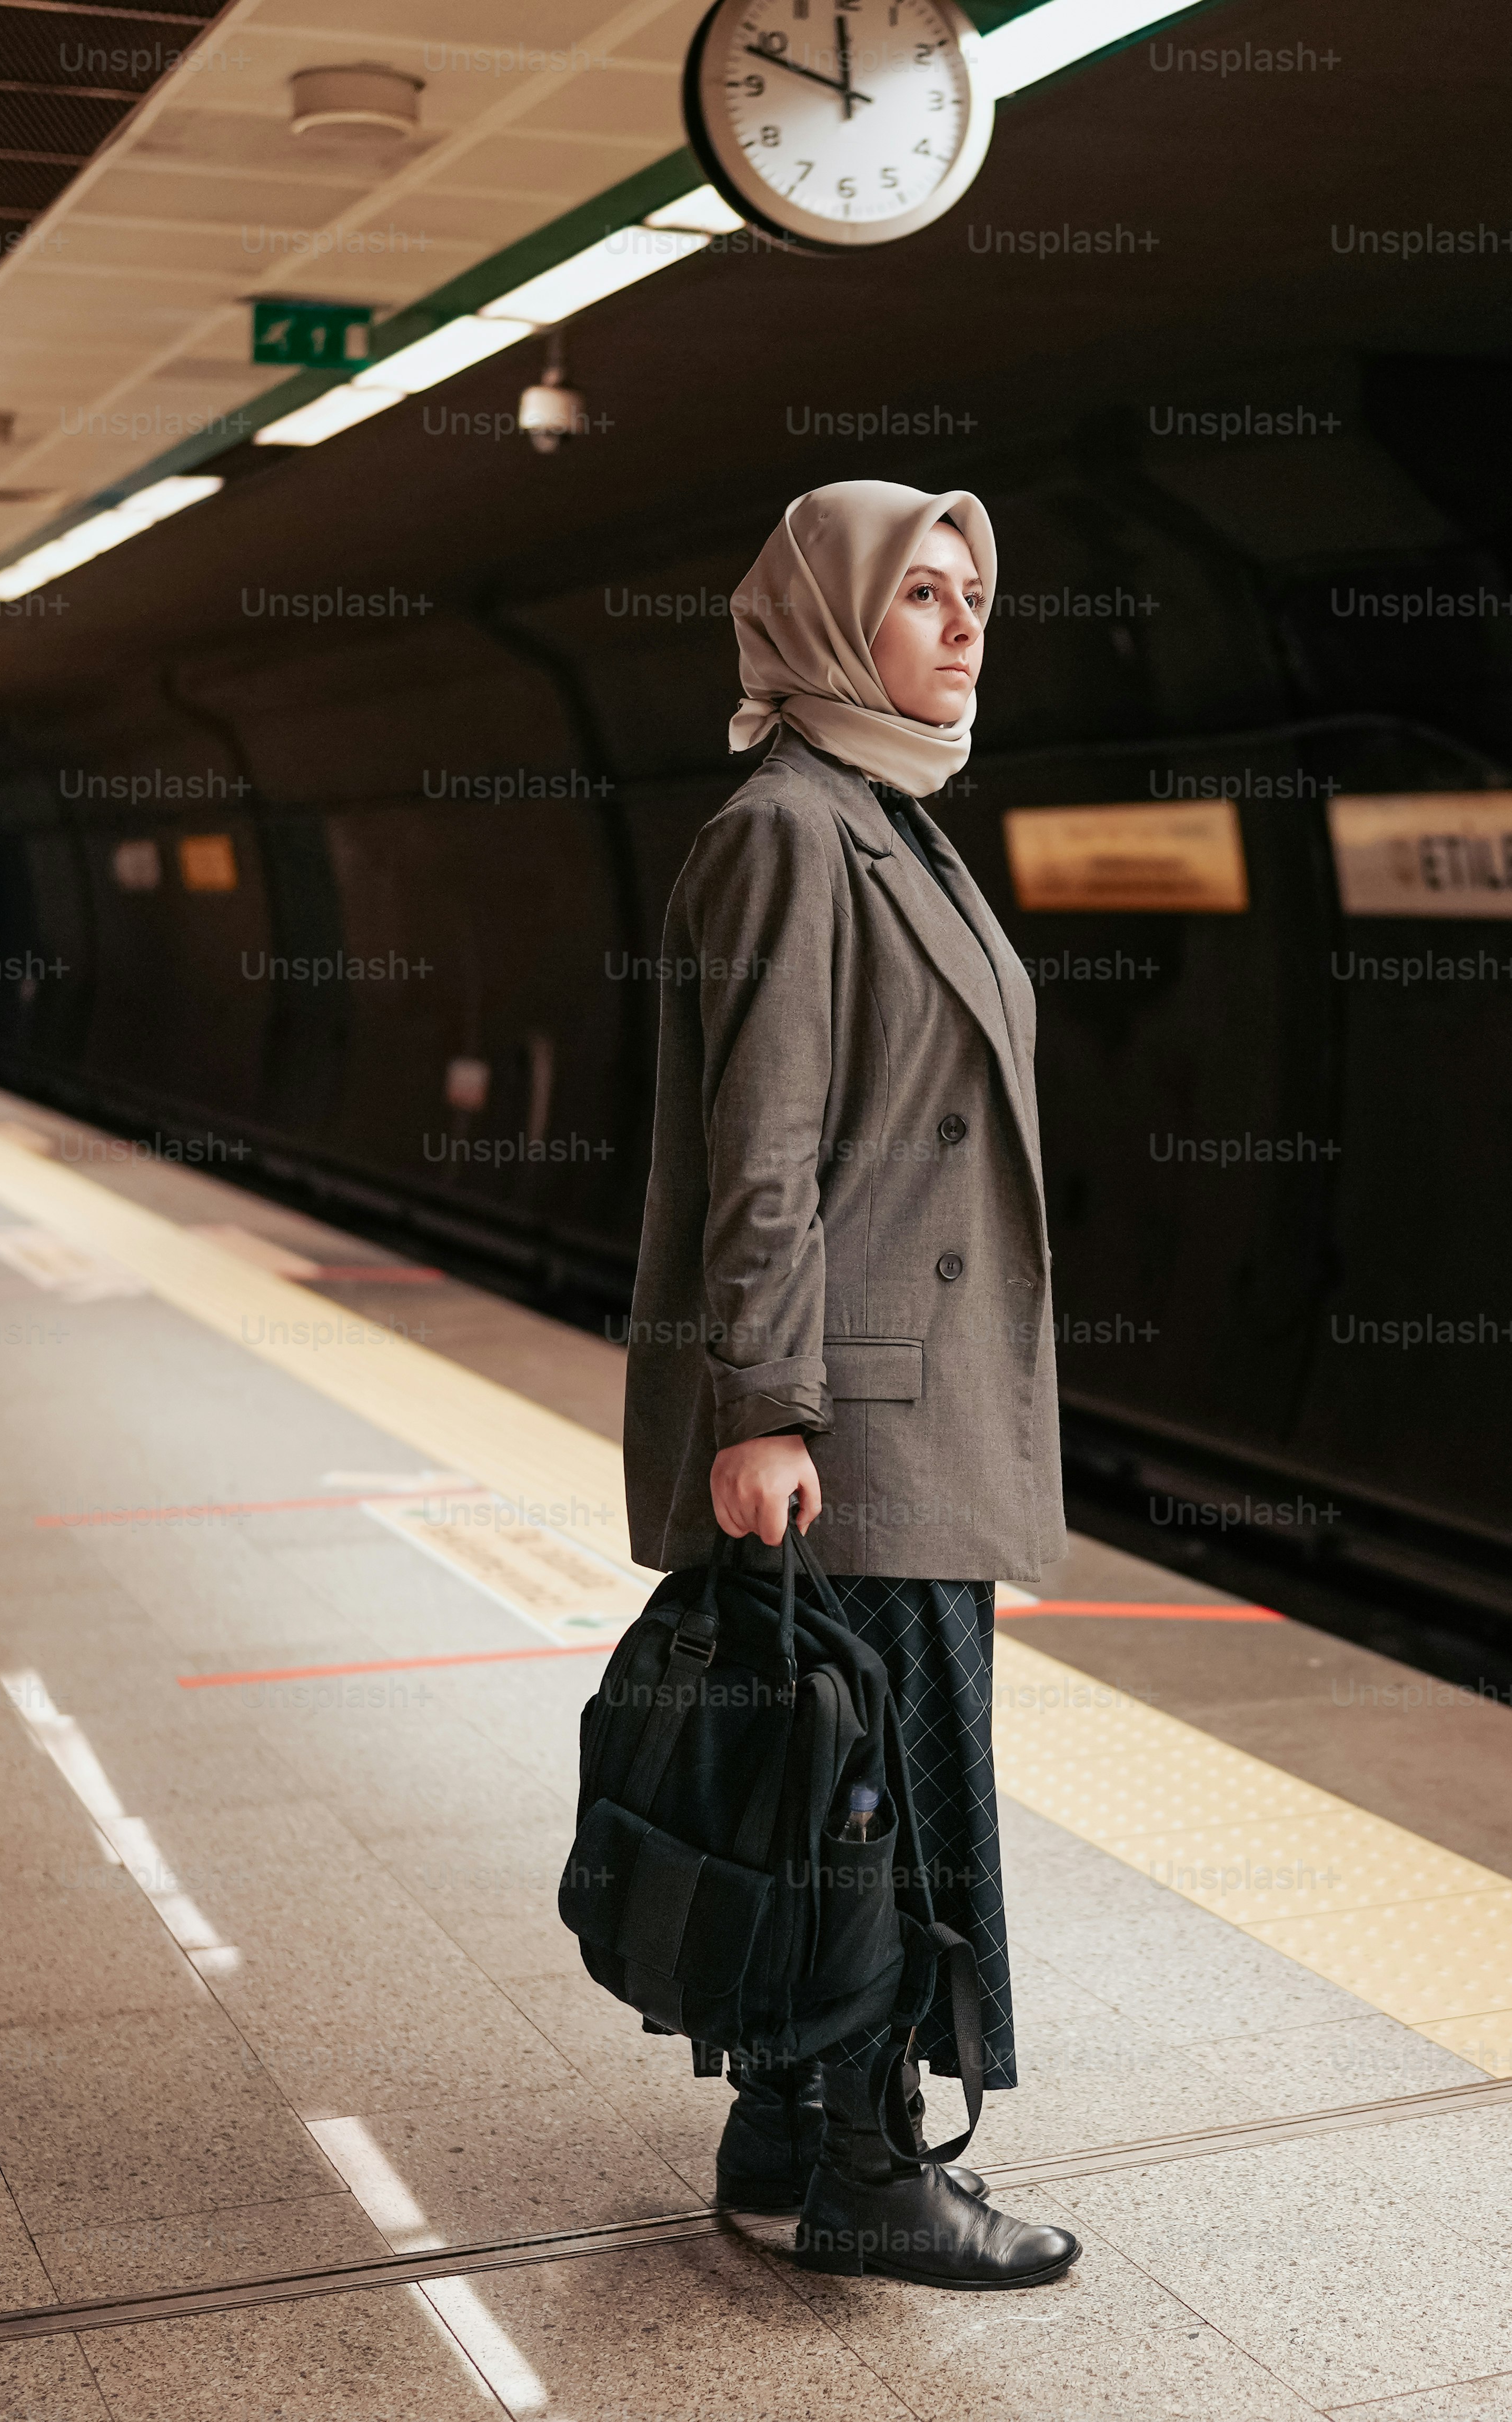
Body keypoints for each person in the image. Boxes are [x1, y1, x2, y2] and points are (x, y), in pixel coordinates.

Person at [621, 480, 1077, 2290]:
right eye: (922, 596)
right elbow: (763, 1155)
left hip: (906, 1406)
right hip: (854, 1422)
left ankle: (778, 2132)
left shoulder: (892, 818)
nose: (964, 625)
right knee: (875, 1805)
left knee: (832, 1790)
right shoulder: (792, 832)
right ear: (824, 621)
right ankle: (872, 2177)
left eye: (976, 594)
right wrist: (761, 1407)